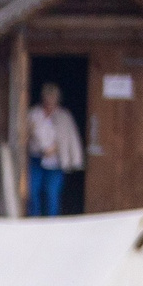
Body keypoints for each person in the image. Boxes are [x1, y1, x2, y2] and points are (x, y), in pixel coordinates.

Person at [27, 82, 83, 218]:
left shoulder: (63, 115)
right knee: (33, 191)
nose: (50, 102)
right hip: (36, 158)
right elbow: (24, 134)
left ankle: (52, 222)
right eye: (47, 98)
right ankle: (34, 220)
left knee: (52, 193)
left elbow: (70, 138)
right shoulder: (34, 114)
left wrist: (60, 150)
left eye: (53, 98)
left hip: (56, 161)